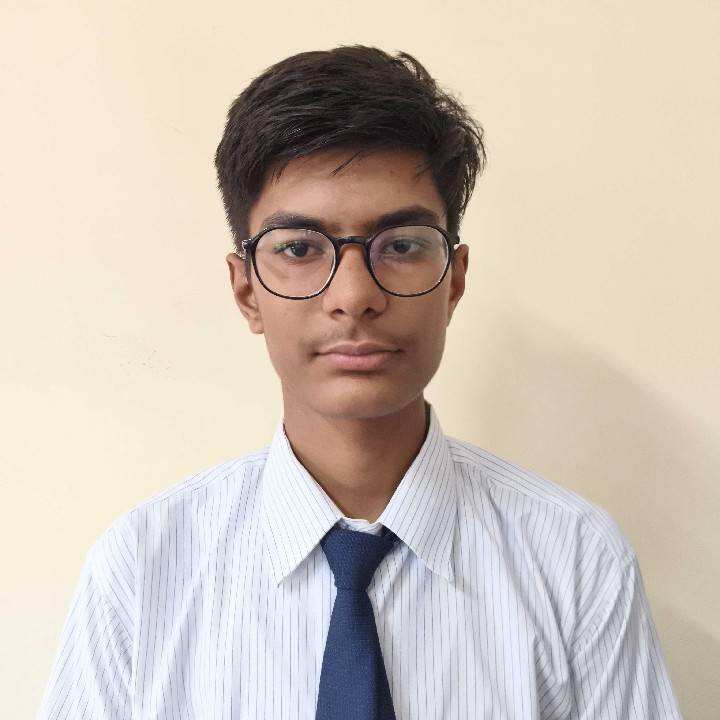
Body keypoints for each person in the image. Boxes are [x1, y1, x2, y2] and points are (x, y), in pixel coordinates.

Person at [38, 46, 681, 720]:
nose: (353, 296)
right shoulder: (142, 570)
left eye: (401, 245)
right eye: (298, 248)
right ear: (246, 290)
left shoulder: (577, 561)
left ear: (454, 280)